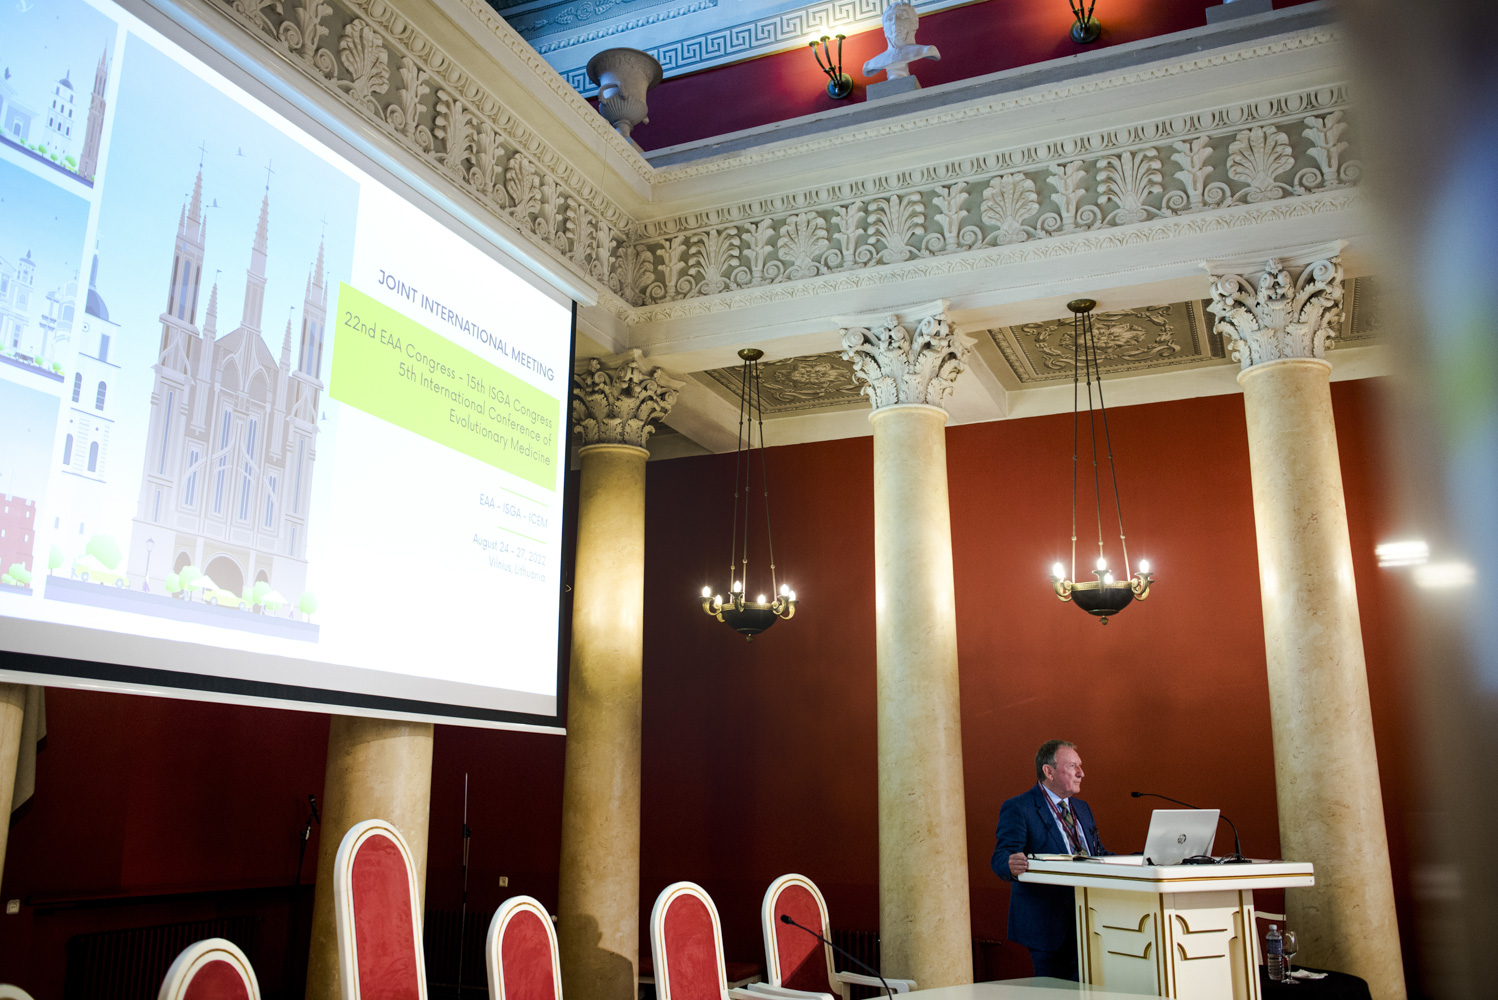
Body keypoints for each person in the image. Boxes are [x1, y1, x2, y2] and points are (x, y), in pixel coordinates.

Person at [991, 739, 1108, 981]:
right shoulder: (1019, 807)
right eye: (1073, 766)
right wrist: (1010, 864)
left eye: (1080, 766)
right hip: (1046, 925)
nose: (1081, 773)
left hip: (1089, 921)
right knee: (1054, 993)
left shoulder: (1082, 808)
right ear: (1049, 771)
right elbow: (1001, 856)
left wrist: (1145, 859)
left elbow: (1098, 855)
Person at [861, 1, 941, 82]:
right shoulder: (872, 63)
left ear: (914, 23)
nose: (895, 22)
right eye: (890, 19)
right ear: (884, 28)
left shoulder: (927, 50)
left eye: (902, 16)